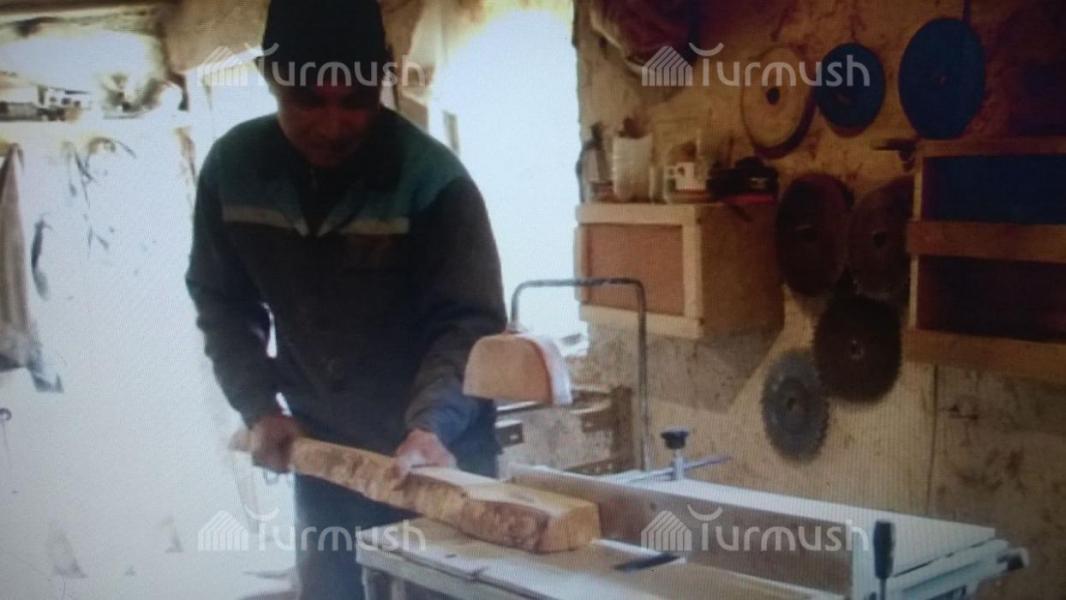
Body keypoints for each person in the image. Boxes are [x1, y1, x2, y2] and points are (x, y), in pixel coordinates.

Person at [185, 1, 506, 597]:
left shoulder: (433, 181)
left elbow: (469, 324)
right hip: (324, 451)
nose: (333, 126)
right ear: (270, 78)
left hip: (435, 454)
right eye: (308, 101)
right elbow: (222, 301)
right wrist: (258, 406)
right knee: (332, 588)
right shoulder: (234, 170)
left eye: (356, 101)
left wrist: (432, 425)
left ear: (381, 81)